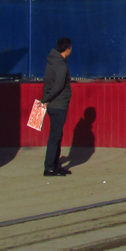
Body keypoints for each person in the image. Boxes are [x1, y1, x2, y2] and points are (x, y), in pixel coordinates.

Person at [41, 37, 73, 177]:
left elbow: (48, 84)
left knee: (57, 136)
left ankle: (55, 165)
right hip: (58, 104)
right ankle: (49, 167)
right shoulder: (61, 66)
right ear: (67, 49)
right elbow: (58, 86)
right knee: (55, 137)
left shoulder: (51, 63)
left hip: (53, 104)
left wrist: (46, 100)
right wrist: (45, 100)